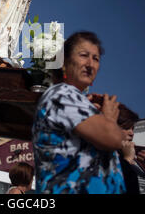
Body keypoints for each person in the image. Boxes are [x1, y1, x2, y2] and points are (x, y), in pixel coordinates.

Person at [32, 31, 126, 194]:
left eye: (96, 59)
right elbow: (113, 138)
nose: (90, 64)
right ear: (64, 62)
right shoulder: (61, 94)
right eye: (84, 55)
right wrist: (109, 119)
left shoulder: (73, 98)